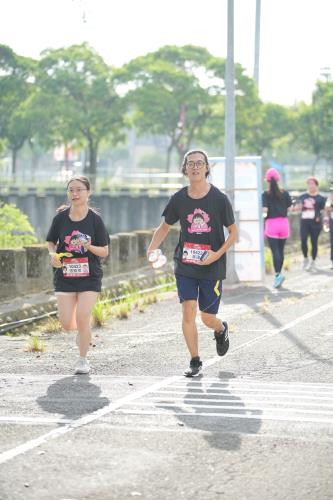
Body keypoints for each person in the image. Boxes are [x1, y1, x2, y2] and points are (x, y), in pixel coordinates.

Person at [147, 150, 237, 377]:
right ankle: (195, 360)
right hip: (185, 264)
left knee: (207, 318)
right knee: (188, 311)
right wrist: (151, 248)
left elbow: (234, 233)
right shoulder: (179, 198)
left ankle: (220, 328)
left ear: (207, 168)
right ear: (185, 169)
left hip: (212, 266)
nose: (195, 167)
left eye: (199, 163)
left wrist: (216, 255)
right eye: (190, 164)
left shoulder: (219, 199)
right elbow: (164, 227)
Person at [46, 176, 110, 374]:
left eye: (79, 190)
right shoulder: (60, 218)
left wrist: (88, 246)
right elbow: (50, 242)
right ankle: (83, 333)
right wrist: (53, 255)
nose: (74, 193)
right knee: (66, 323)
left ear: (88, 192)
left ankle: (83, 360)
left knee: (83, 316)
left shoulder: (95, 220)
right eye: (71, 190)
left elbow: (104, 251)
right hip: (65, 275)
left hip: (89, 276)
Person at [262, 168, 292, 288]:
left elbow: (264, 210)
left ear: (267, 180)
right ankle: (279, 275)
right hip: (284, 223)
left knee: (275, 251)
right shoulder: (285, 193)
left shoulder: (265, 194)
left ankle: (278, 275)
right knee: (281, 250)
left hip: (272, 224)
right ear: (278, 178)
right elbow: (290, 208)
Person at [297, 177, 327, 271]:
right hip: (304, 221)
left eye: (312, 183)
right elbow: (298, 207)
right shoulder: (302, 196)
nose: (310, 186)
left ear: (316, 185)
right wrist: (298, 207)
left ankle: (313, 261)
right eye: (309, 184)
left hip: (315, 222)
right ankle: (305, 258)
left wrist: (324, 219)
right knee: (303, 240)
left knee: (314, 242)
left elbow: (323, 210)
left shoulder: (321, 198)